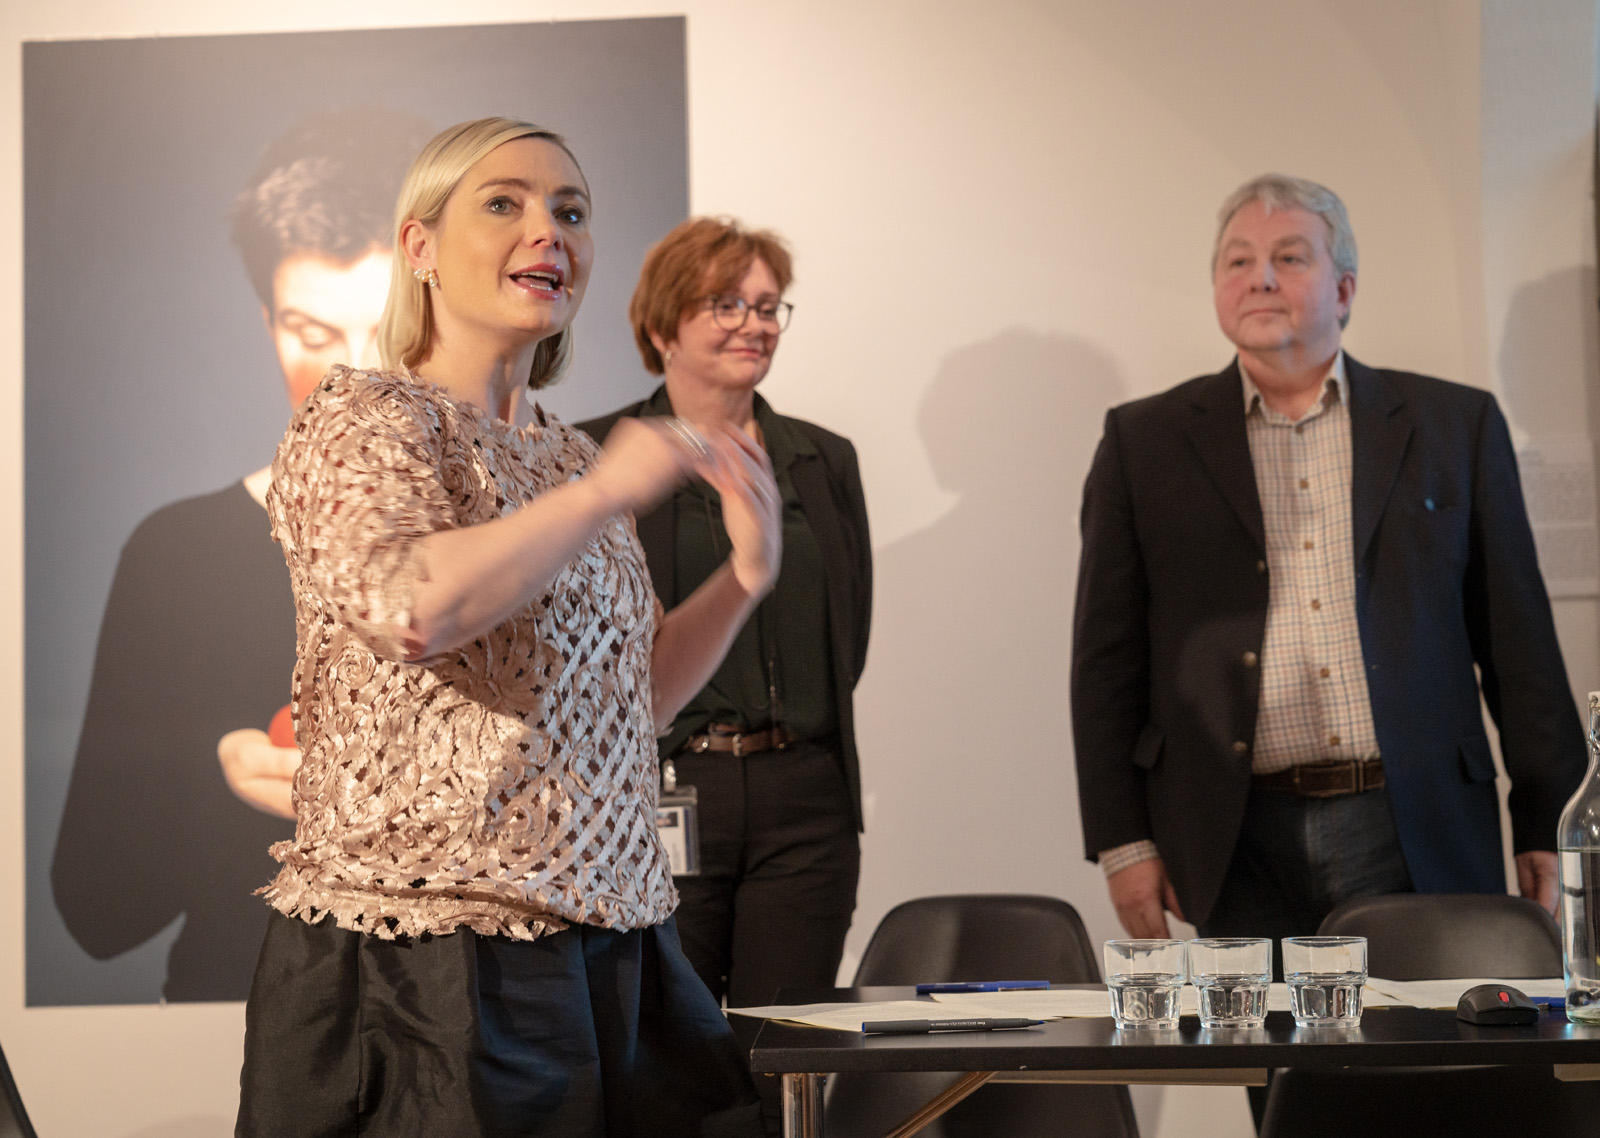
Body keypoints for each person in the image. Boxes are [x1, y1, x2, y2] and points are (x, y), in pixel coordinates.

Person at [236, 118, 773, 1137]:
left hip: (612, 943)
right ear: (420, 247)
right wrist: (605, 493)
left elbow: (632, 702)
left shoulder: (571, 458)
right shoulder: (363, 417)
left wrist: (746, 578)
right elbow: (412, 606)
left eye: (570, 211)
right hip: (428, 963)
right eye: (504, 203)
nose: (548, 231)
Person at [1072, 173, 1586, 951]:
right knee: (1265, 1038)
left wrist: (1549, 818)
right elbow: (1105, 663)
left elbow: (1518, 642)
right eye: (1238, 261)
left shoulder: (1454, 425)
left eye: (1289, 257)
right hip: (1231, 837)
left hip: (1414, 824)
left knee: (1425, 1033)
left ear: (1344, 289)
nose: (1261, 277)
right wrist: (1123, 841)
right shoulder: (1142, 444)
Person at [50, 107, 432, 1001]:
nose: (354, 377)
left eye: (387, 330)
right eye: (312, 334)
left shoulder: (529, 528)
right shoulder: (178, 554)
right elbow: (96, 907)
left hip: (479, 1022)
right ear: (267, 320)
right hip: (248, 1011)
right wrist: (212, 765)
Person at [579, 219, 870, 1019]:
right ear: (663, 326)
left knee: (787, 1045)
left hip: (804, 799)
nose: (755, 323)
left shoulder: (823, 458)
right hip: (659, 786)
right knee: (668, 1047)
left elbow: (849, 633)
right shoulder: (597, 455)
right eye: (727, 304)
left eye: (768, 306)